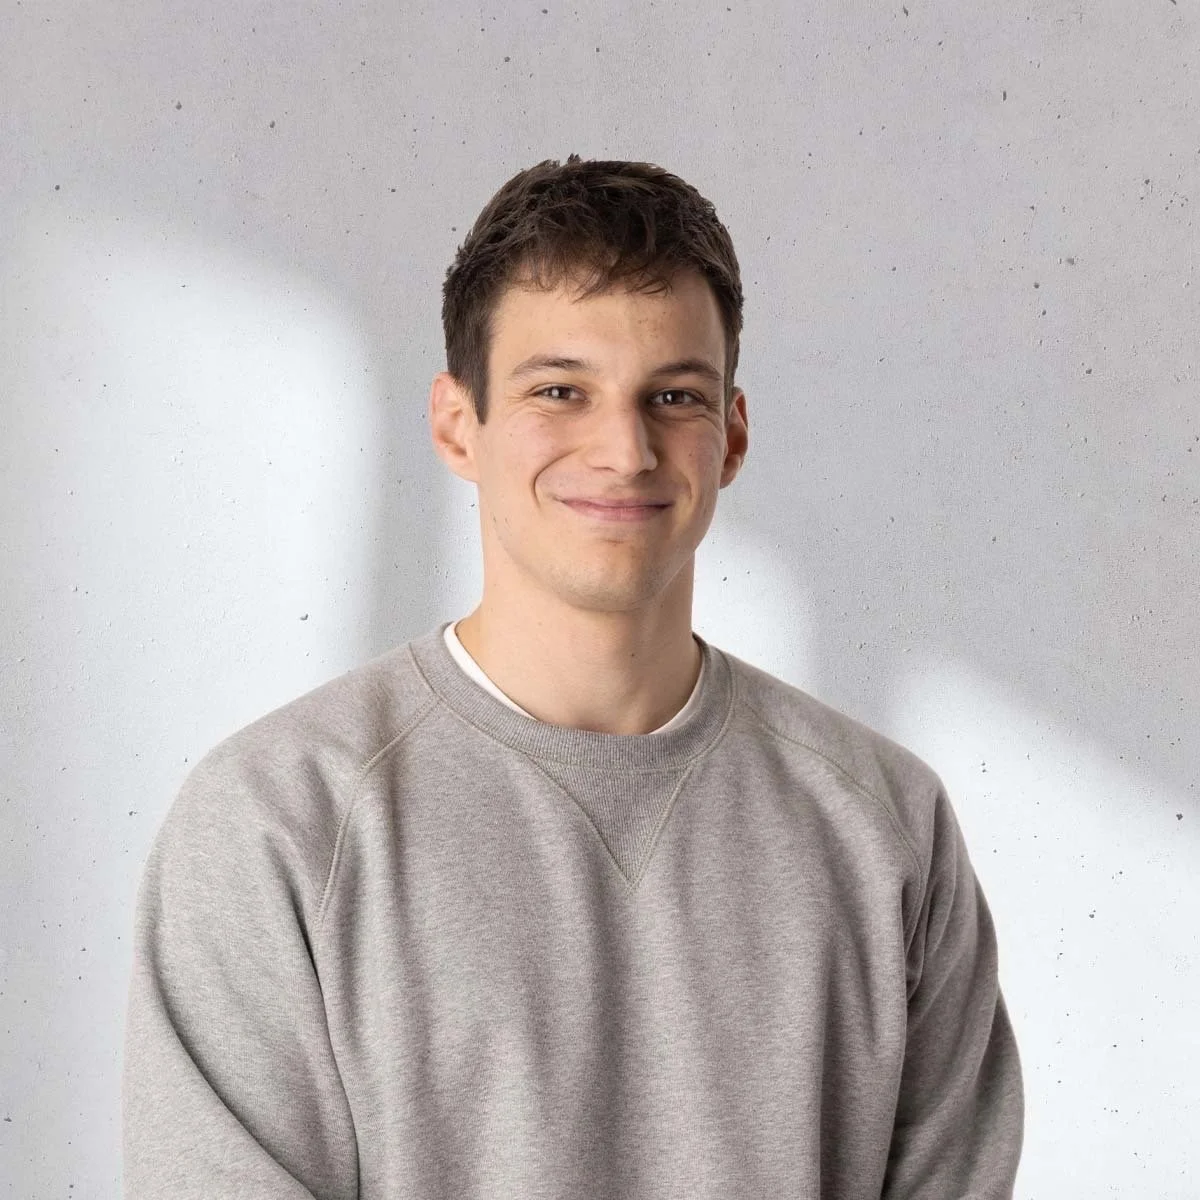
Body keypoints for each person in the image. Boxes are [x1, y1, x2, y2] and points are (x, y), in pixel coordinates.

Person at [122, 154, 1024, 1198]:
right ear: (456, 424)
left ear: (731, 436)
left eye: (673, 397)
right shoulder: (278, 821)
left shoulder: (886, 827)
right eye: (560, 391)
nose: (625, 449)